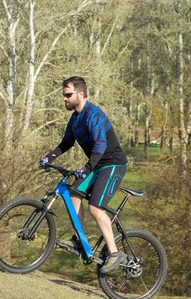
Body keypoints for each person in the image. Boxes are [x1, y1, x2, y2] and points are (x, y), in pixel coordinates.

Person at [40, 76, 128, 273]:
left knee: (95, 208)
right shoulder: (75, 119)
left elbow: (100, 145)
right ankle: (79, 240)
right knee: (73, 196)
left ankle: (114, 253)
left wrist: (87, 168)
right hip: (96, 165)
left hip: (113, 164)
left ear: (80, 94)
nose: (64, 98)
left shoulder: (93, 115)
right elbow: (66, 143)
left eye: (68, 94)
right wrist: (49, 157)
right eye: (63, 95)